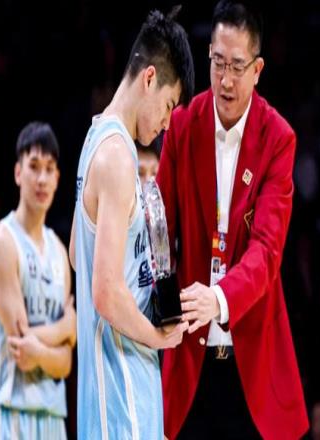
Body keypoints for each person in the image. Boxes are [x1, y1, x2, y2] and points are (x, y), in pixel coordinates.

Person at [156, 1, 309, 439]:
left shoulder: (278, 138)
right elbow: (160, 233)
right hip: (189, 362)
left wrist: (219, 298)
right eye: (218, 62)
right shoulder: (182, 125)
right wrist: (165, 314)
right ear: (207, 54)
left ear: (257, 69)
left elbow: (267, 250)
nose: (225, 79)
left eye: (237, 67)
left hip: (251, 368)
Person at [69, 8, 194, 440]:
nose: (167, 122)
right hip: (119, 391)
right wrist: (159, 338)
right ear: (149, 78)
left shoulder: (96, 139)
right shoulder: (118, 158)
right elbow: (104, 292)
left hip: (124, 385)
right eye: (169, 105)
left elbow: (77, 254)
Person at [0, 122, 76, 439]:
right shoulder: (2, 242)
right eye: (34, 166)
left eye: (49, 169)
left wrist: (41, 350)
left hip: (54, 419)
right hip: (13, 415)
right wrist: (67, 328)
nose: (41, 178)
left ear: (57, 178)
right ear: (17, 172)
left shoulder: (60, 252)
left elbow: (66, 363)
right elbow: (20, 347)